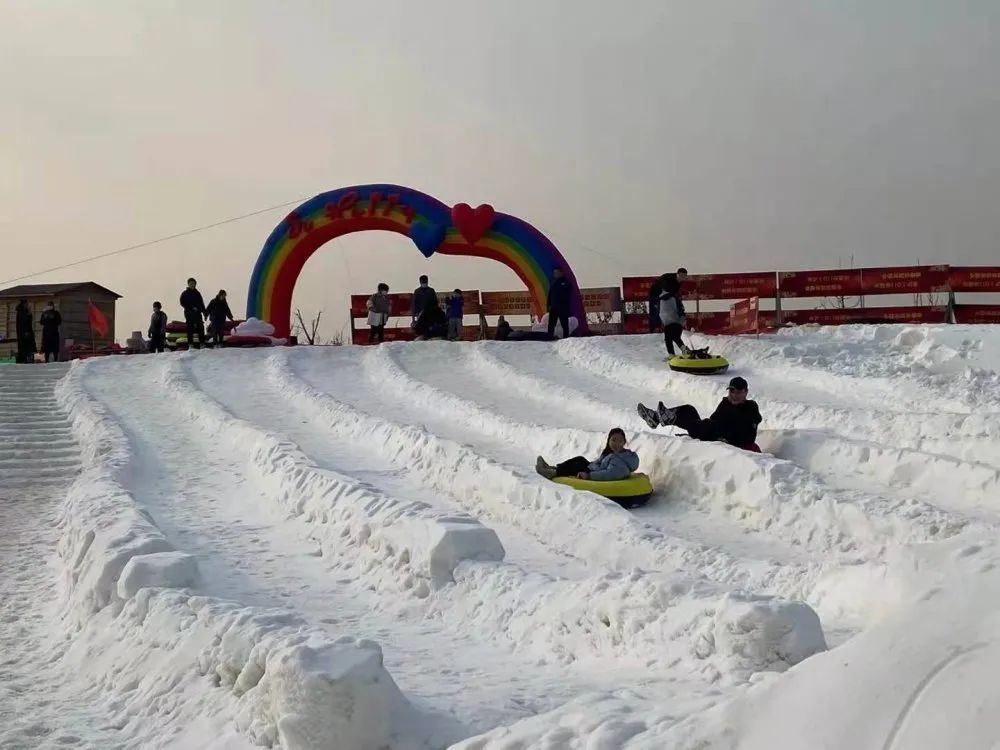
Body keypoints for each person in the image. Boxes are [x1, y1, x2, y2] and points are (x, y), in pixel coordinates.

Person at [637, 376, 763, 452]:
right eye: (731, 392)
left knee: (709, 425)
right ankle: (656, 418)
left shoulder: (751, 406)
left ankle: (668, 418)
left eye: (738, 392)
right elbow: (714, 419)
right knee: (689, 409)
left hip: (732, 440)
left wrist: (716, 428)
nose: (734, 396)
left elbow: (746, 432)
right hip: (715, 432)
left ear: (746, 392)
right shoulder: (725, 403)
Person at [536, 428, 640, 481]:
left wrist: (589, 475)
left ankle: (552, 473)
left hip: (597, 473)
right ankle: (553, 468)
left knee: (578, 466)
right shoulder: (612, 453)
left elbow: (609, 474)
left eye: (620, 441)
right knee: (580, 459)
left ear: (624, 442)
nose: (617, 444)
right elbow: (599, 463)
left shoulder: (620, 460)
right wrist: (591, 465)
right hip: (597, 469)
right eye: (613, 440)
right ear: (608, 441)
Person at [648, 267, 688, 332]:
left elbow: (675, 295)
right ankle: (654, 329)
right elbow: (665, 291)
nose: (682, 278)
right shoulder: (669, 279)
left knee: (674, 308)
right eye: (681, 276)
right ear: (677, 274)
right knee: (655, 311)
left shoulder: (678, 283)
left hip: (665, 295)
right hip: (656, 294)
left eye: (684, 276)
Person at [179, 278, 207, 350]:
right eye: (191, 283)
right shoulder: (185, 293)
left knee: (200, 327)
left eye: (193, 283)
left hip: (198, 313)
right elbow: (182, 302)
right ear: (188, 284)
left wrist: (204, 313)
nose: (192, 285)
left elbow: (201, 303)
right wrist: (191, 307)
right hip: (189, 313)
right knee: (190, 328)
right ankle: (190, 344)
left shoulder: (197, 293)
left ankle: (202, 343)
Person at [546, 267, 572, 340]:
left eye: (557, 273)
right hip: (554, 308)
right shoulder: (553, 283)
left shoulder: (566, 282)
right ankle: (549, 337)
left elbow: (568, 292)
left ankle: (566, 338)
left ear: (561, 273)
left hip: (562, 307)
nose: (556, 274)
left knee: (564, 324)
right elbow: (550, 295)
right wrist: (548, 305)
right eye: (555, 273)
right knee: (551, 324)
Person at [15, 299, 36, 364]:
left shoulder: (22, 311)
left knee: (23, 347)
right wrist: (26, 331)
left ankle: (24, 359)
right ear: (24, 304)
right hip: (25, 332)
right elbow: (24, 322)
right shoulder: (22, 311)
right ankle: (24, 359)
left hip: (23, 332)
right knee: (25, 347)